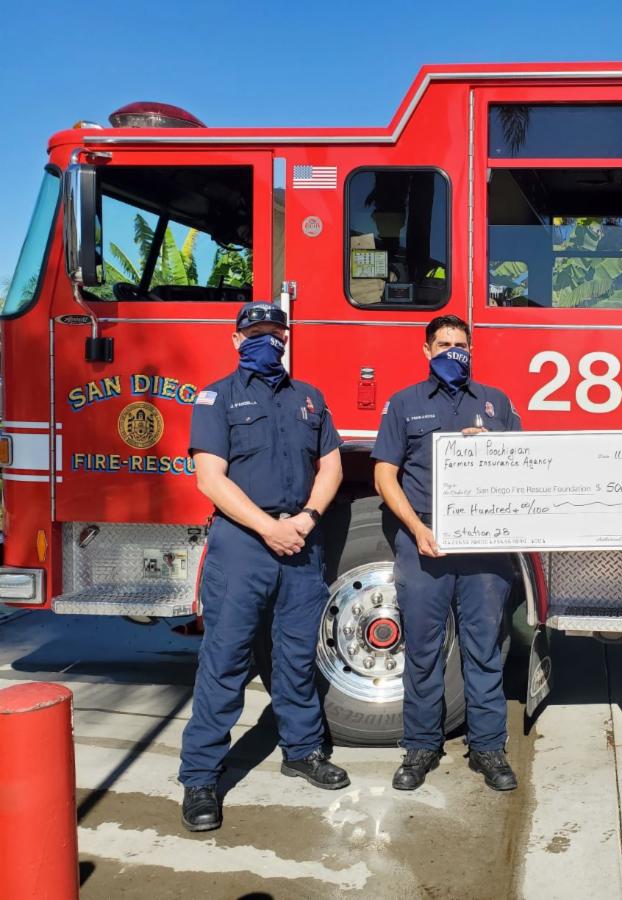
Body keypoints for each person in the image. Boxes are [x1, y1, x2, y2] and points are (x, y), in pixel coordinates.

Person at [180, 302, 347, 833]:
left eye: (274, 331)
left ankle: (302, 751)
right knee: (226, 660)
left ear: (286, 337)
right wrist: (266, 527)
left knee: (295, 656)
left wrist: (308, 518)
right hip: (243, 545)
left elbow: (331, 466)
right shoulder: (216, 398)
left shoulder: (309, 398)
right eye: (255, 332)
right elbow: (210, 478)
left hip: (300, 541)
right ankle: (201, 778)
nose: (265, 339)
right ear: (236, 340)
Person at [372, 315, 523, 793]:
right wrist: (417, 529)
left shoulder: (497, 403)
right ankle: (421, 746)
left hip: (484, 548)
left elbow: (527, 468)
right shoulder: (404, 403)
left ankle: (488, 748)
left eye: (461, 344)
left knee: (484, 649)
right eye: (443, 344)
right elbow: (384, 474)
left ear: (471, 349)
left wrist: (494, 448)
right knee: (422, 650)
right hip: (425, 542)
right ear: (426, 350)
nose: (453, 352)